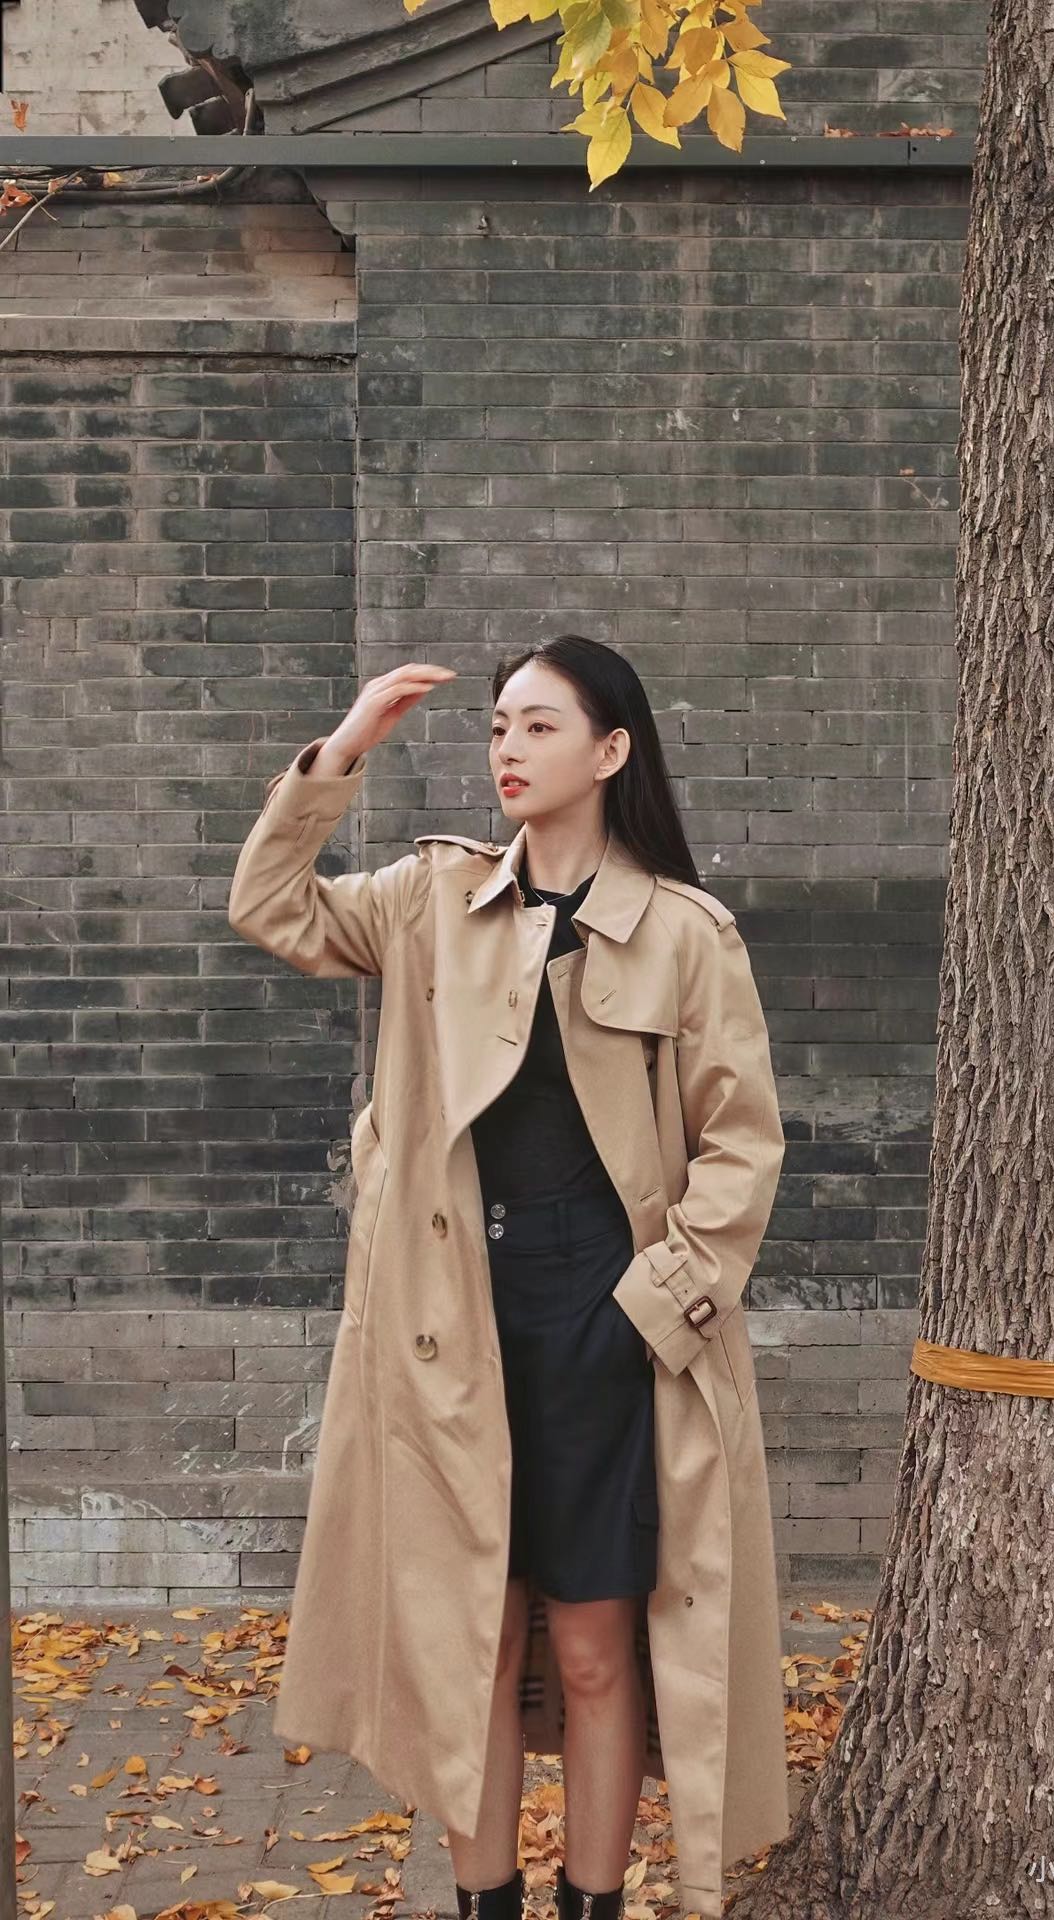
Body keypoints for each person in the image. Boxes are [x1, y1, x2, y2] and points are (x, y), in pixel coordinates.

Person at [274, 637, 751, 1920]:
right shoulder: (431, 897)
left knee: (594, 1648)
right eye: (497, 726)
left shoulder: (686, 934)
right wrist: (345, 750)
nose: (507, 749)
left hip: (605, 1320)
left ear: (610, 752)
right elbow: (273, 907)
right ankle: (484, 1902)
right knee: (473, 1640)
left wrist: (659, 1306)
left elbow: (739, 1143)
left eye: (539, 726)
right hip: (454, 1323)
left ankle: (593, 1903)